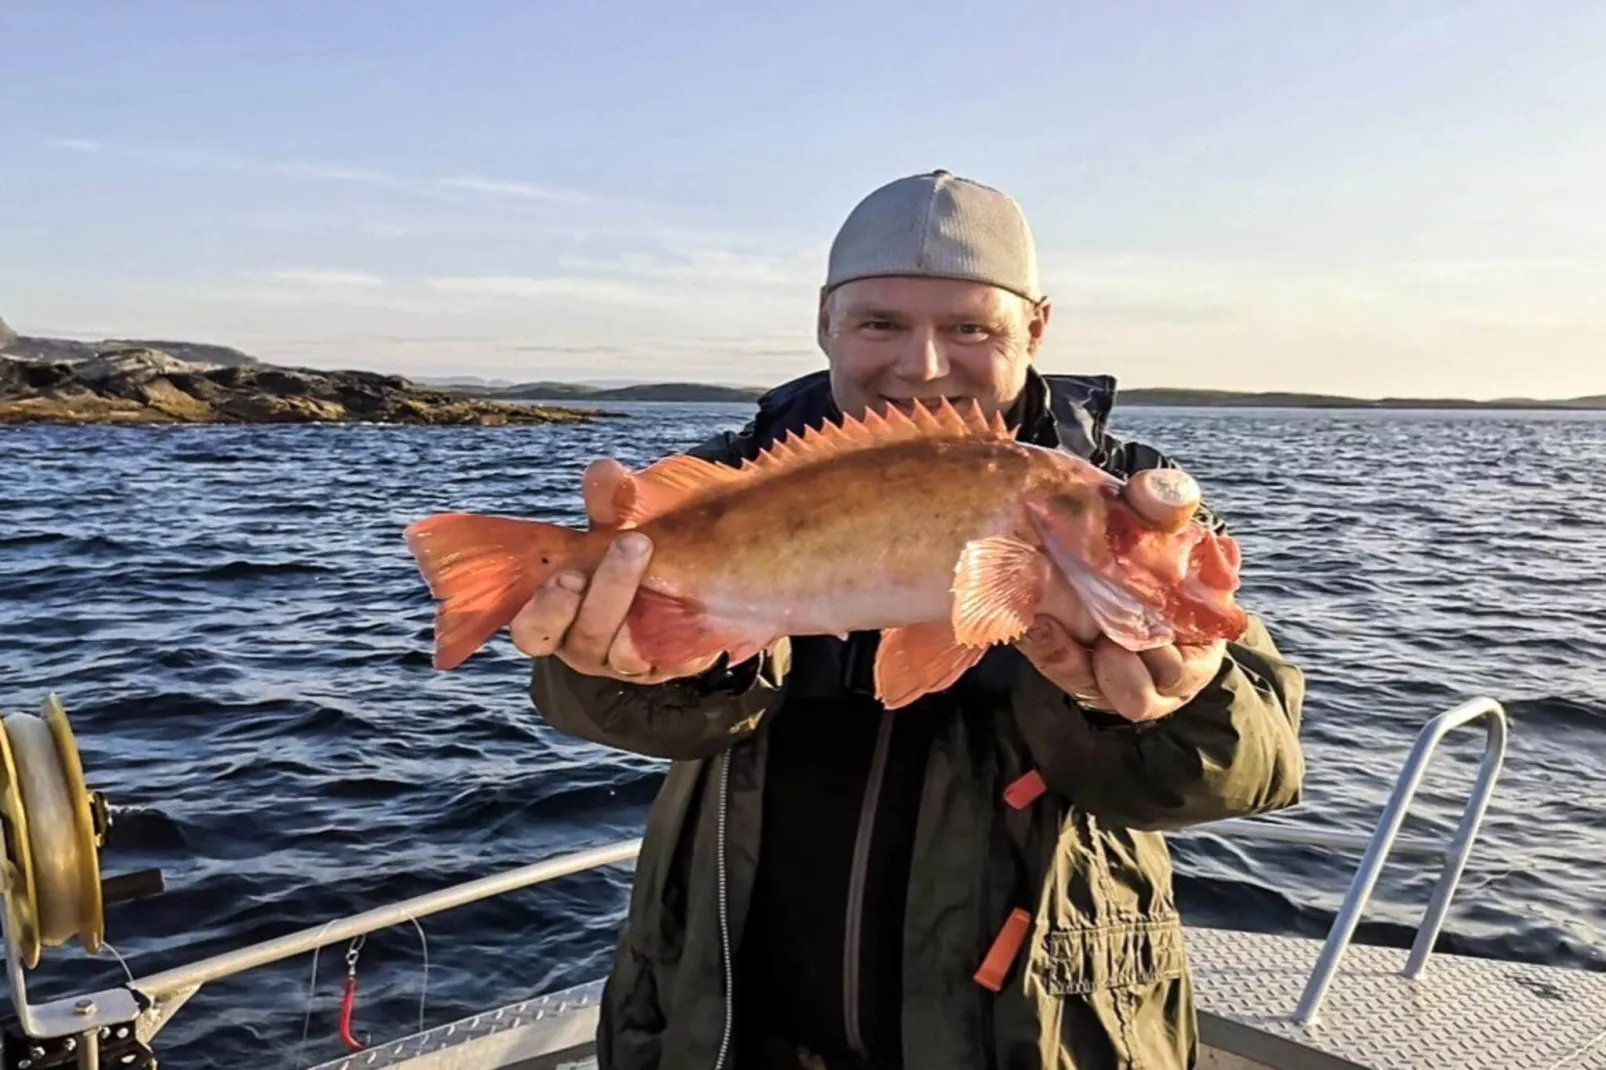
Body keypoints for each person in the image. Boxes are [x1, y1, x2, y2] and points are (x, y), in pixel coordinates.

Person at [513, 170, 1307, 1070]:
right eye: (881, 324)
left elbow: (1254, 770)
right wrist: (633, 663)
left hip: (1036, 1033)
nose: (921, 365)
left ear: (1036, 328)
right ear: (826, 324)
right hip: (723, 1017)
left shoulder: (1132, 498)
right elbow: (584, 702)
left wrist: (1171, 701)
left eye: (970, 327)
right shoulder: (728, 482)